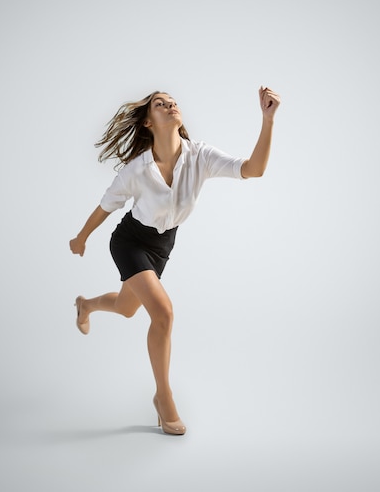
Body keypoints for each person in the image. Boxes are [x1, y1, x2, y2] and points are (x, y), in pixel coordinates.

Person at [69, 87, 281, 435]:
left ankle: (86, 305)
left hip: (162, 245)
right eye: (160, 103)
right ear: (149, 121)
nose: (170, 105)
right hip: (129, 241)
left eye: (173, 102)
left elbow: (253, 169)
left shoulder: (200, 156)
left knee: (126, 308)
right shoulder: (136, 170)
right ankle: (163, 397)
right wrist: (81, 237)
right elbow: (105, 206)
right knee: (163, 313)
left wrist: (267, 119)